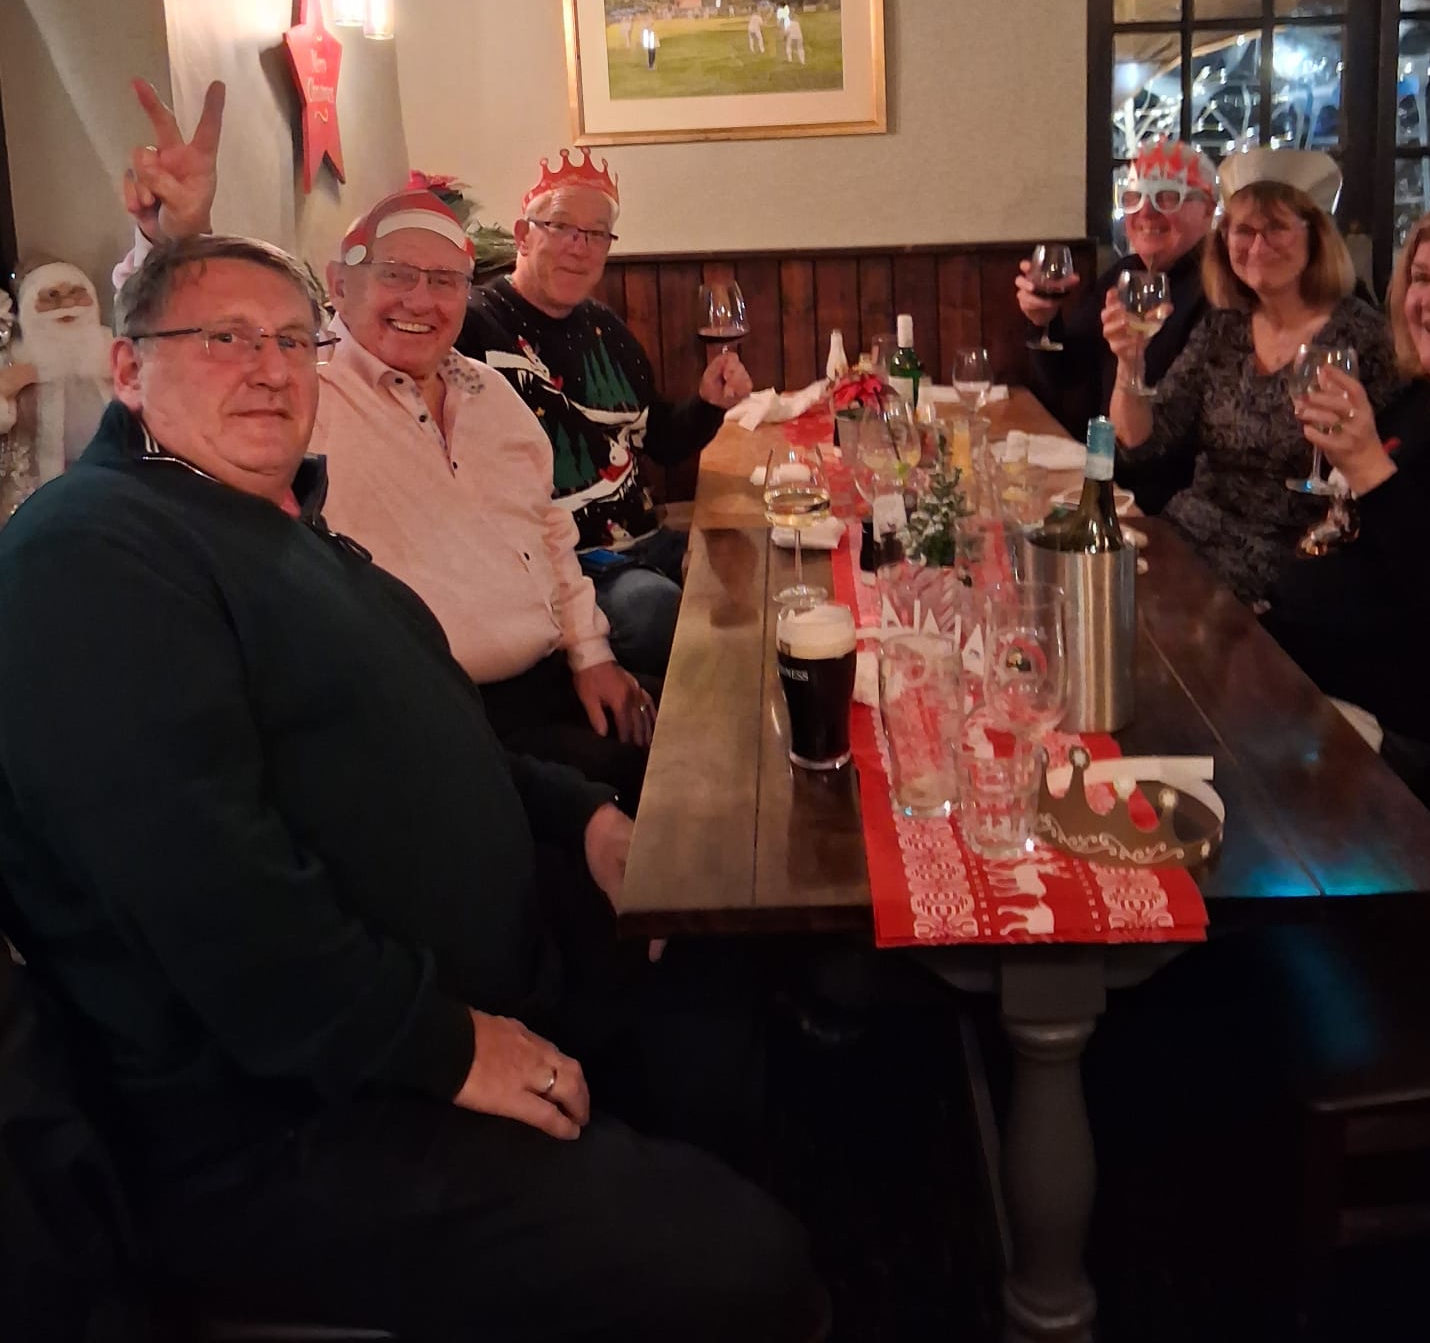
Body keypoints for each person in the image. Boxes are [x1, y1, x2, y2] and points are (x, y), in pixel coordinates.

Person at [0, 234, 823, 1343]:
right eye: (223, 338)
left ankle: (672, 1170)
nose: (270, 367)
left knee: (713, 957)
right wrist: (446, 1046)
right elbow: (209, 900)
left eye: (291, 341)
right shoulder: (90, 552)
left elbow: (430, 732)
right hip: (293, 1113)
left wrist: (579, 813)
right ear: (128, 368)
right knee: (749, 1270)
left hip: (468, 974)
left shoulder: (277, 524)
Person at [116, 82, 656, 805]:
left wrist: (591, 654)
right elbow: (180, 385)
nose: (421, 300)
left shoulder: (493, 396)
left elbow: (549, 530)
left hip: (549, 682)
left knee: (695, 748)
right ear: (339, 285)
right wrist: (172, 243)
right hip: (424, 722)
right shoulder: (303, 391)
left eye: (446, 281)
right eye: (396, 275)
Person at [1264, 163, 1430, 845]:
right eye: (1422, 276)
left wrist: (1365, 466)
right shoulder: (1426, 398)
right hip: (1311, 675)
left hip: (1404, 742)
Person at [457, 148, 752, 680]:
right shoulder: (472, 326)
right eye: (561, 227)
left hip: (646, 539)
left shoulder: (606, 328)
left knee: (751, 564)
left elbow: (659, 440)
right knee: (660, 613)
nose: (580, 246)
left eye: (596, 234)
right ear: (523, 236)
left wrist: (708, 403)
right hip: (569, 568)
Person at [1105, 174, 1397, 605]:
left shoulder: (1362, 336)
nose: (1258, 246)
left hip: (1292, 566)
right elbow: (1139, 441)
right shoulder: (1224, 326)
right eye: (1243, 230)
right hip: (1187, 537)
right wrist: (1129, 363)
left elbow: (1383, 488)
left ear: (1316, 236)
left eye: (1276, 227)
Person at [1016, 139, 1217, 506]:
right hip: (1101, 476)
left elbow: (1178, 441)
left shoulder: (1219, 294)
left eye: (1167, 197)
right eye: (1134, 198)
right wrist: (1044, 323)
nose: (1146, 213)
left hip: (1163, 501)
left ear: (1208, 209)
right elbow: (1066, 382)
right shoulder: (1124, 276)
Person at [0, 262, 114, 516]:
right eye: (52, 296)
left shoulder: (112, 355)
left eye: (76, 292)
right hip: (34, 500)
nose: (67, 304)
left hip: (109, 491)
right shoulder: (14, 360)